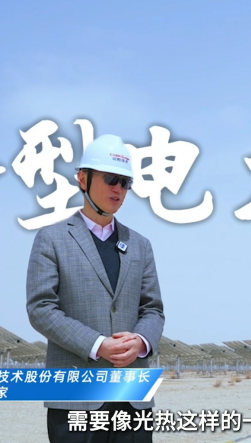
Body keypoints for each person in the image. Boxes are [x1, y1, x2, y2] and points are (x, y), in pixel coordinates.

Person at [26, 134, 165, 443]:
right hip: (75, 399)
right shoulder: (52, 239)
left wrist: (141, 341)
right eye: (111, 179)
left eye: (125, 183)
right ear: (82, 179)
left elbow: (153, 309)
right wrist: (97, 344)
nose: (118, 189)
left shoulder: (140, 245)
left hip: (133, 399)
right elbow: (41, 308)